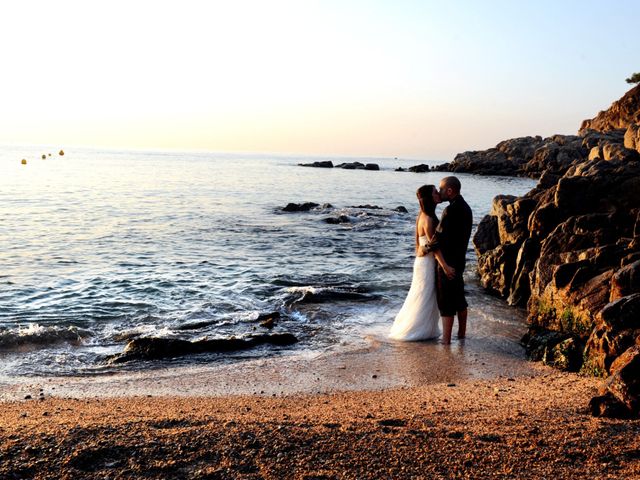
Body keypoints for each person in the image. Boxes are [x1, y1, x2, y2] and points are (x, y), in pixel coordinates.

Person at [389, 185, 455, 341]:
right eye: (435, 192)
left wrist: (423, 250)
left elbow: (422, 245)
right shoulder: (429, 219)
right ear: (429, 198)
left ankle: (423, 328)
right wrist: (445, 266)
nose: (438, 193)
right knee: (424, 296)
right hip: (427, 263)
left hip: (422, 261)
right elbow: (435, 247)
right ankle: (416, 330)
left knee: (421, 294)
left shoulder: (422, 215)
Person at [424, 176, 473, 344]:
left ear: (450, 191)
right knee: (460, 299)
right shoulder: (467, 208)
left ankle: (446, 341)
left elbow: (437, 238)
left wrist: (425, 248)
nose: (440, 192)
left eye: (442, 189)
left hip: (447, 262)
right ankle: (461, 334)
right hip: (459, 261)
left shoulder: (450, 211)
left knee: (446, 304)